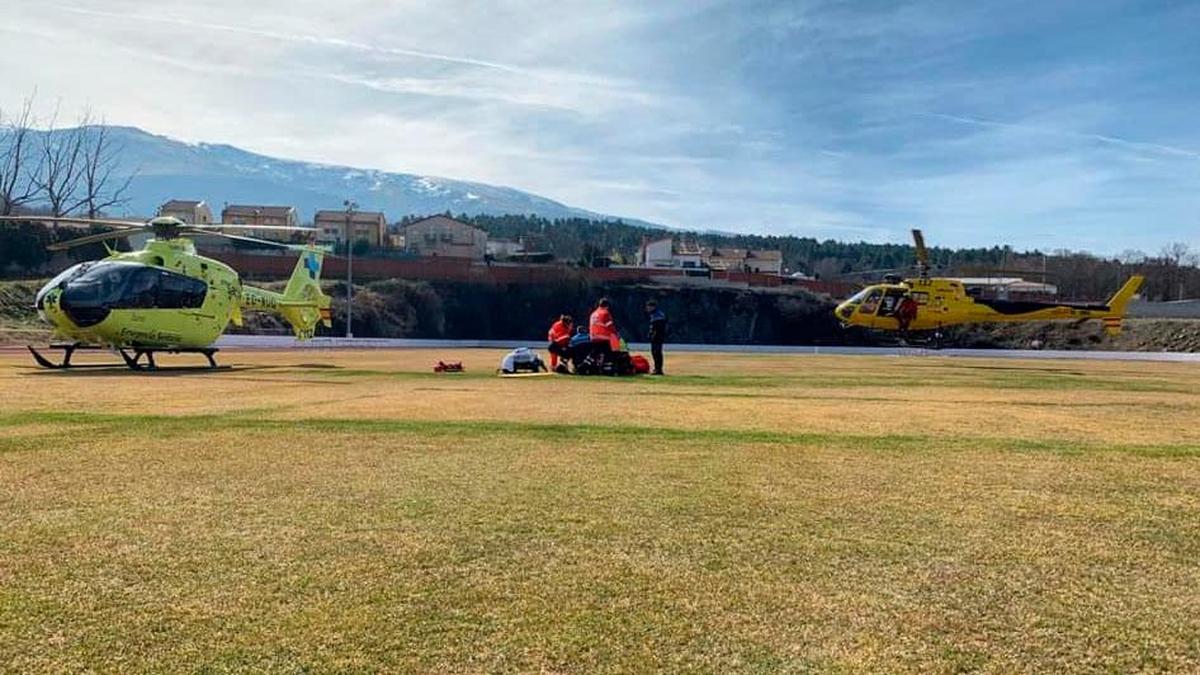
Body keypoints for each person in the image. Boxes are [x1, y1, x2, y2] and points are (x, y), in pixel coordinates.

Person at [588, 298, 620, 364]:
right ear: (607, 306)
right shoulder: (605, 313)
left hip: (593, 336)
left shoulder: (593, 313)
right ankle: (607, 366)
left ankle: (588, 364)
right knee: (608, 352)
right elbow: (610, 326)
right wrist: (616, 334)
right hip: (602, 336)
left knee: (595, 351)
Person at [645, 300, 668, 375]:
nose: (647, 308)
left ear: (652, 307)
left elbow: (657, 327)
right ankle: (657, 369)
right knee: (655, 352)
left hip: (657, 337)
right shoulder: (654, 314)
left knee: (657, 352)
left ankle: (658, 369)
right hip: (656, 336)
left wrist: (653, 335)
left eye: (648, 307)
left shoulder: (658, 315)